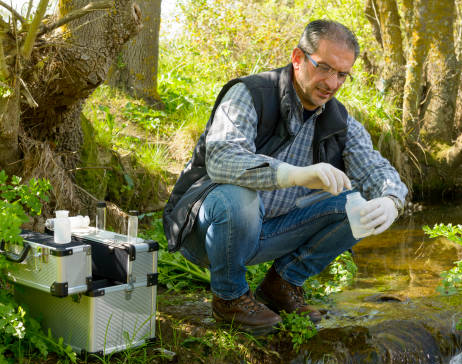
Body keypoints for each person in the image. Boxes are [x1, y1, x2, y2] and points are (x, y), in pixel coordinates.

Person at [163, 20, 409, 334]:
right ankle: (230, 299)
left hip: (273, 231)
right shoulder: (250, 93)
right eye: (324, 67)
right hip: (208, 229)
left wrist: (391, 200)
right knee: (239, 196)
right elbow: (222, 159)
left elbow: (377, 170)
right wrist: (294, 175)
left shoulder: (339, 120)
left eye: (342, 74)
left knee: (358, 205)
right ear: (297, 58)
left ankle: (282, 285)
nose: (332, 83)